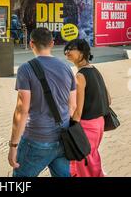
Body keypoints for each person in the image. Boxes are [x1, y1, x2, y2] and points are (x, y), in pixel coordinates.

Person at [8, 27, 76, 177]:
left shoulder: (26, 69)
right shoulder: (66, 67)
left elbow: (22, 110)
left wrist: (13, 145)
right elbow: (73, 105)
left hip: (37, 139)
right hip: (63, 138)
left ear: (31, 44)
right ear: (52, 43)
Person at [64, 39, 110, 177]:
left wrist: (71, 127)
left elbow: (77, 110)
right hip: (99, 123)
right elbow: (108, 99)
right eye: (66, 49)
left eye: (71, 48)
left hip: (86, 125)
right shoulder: (94, 70)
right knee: (92, 156)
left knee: (82, 160)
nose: (67, 52)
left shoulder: (80, 76)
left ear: (82, 52)